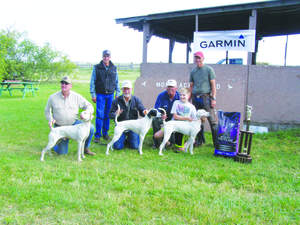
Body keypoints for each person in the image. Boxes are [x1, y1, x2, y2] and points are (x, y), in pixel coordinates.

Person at [45, 76, 96, 155]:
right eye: (62, 83)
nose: (64, 85)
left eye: (66, 83)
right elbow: (47, 111)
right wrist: (50, 119)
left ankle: (85, 148)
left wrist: (85, 113)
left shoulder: (77, 96)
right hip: (60, 126)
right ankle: (56, 143)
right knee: (62, 153)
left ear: (71, 86)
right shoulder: (52, 97)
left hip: (74, 124)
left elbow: (89, 106)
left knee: (91, 128)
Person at [90, 50, 120, 144]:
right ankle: (97, 135)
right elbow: (92, 81)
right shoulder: (97, 67)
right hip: (100, 95)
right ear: (102, 57)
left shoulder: (114, 68)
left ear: (110, 57)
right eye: (104, 56)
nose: (106, 58)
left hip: (110, 95)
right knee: (99, 115)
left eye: (107, 56)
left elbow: (116, 82)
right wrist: (93, 94)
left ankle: (105, 133)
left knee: (108, 114)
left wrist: (117, 93)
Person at [189, 51, 218, 148]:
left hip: (206, 97)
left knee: (212, 121)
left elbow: (213, 85)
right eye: (196, 58)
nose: (197, 60)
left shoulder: (209, 69)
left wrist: (213, 98)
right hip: (195, 98)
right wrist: (189, 99)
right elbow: (191, 86)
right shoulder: (193, 71)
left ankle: (217, 144)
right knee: (198, 120)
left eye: (199, 58)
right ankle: (199, 141)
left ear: (203, 58)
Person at [109, 80, 147, 150]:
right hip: (121, 126)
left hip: (133, 126)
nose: (126, 91)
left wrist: (144, 111)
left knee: (135, 146)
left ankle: (128, 139)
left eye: (128, 89)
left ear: (131, 89)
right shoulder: (116, 101)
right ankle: (124, 138)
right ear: (122, 90)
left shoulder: (136, 100)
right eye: (124, 89)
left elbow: (142, 109)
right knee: (117, 147)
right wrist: (116, 114)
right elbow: (110, 114)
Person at [152, 79, 180, 148]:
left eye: (172, 87)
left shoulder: (179, 96)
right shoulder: (161, 95)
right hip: (163, 118)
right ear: (166, 88)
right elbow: (156, 108)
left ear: (176, 88)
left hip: (175, 119)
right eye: (168, 87)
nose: (170, 88)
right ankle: (157, 143)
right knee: (155, 119)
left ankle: (176, 142)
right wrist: (161, 115)